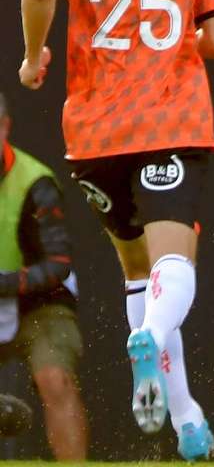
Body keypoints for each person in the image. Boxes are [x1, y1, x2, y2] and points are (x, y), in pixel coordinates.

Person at [18, 0, 214, 459]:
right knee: (174, 261)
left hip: (94, 133)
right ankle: (151, 336)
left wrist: (33, 51)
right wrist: (176, 44)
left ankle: (186, 416)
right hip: (171, 123)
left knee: (139, 271)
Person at [0, 92, 87, 460]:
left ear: (4, 127)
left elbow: (58, 264)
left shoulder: (37, 183)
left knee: (55, 379)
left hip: (41, 305)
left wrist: (6, 284)